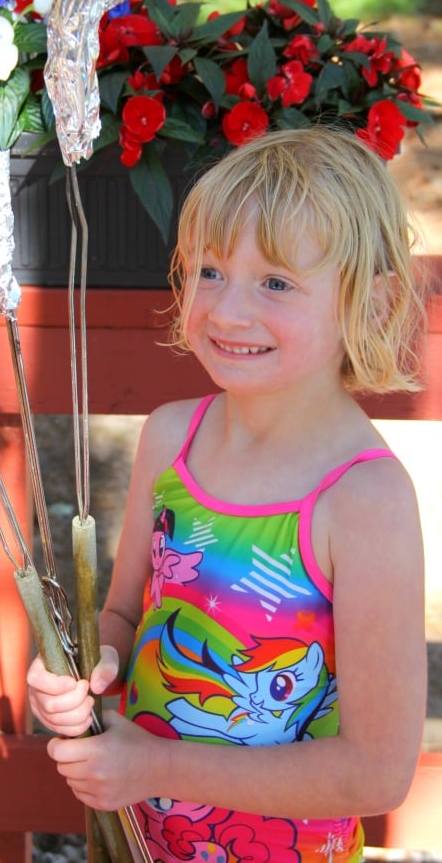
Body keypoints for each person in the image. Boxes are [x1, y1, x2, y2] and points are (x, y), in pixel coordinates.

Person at [27, 127, 428, 863]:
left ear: (373, 304)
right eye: (208, 271)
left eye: (275, 282)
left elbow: (377, 771)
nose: (226, 310)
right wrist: (79, 674)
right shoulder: (170, 437)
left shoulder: (365, 499)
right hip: (137, 841)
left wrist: (152, 764)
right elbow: (121, 614)